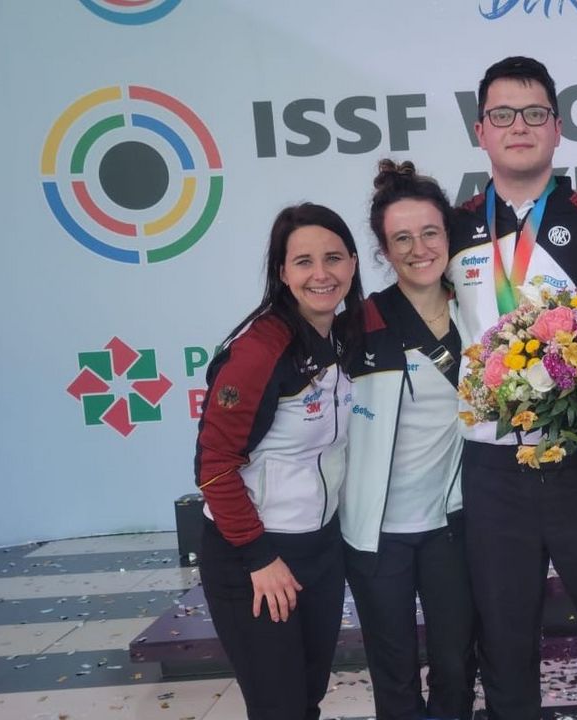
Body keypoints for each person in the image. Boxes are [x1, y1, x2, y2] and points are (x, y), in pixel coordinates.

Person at [446, 56, 577, 719]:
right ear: (480, 130)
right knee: (505, 647)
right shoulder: (450, 231)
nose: (519, 126)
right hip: (490, 473)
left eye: (534, 113)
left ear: (558, 128)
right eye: (502, 115)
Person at [193, 202, 364, 720]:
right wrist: (258, 557)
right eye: (304, 262)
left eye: (333, 258)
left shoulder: (347, 333)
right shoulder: (261, 350)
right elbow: (215, 465)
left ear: (353, 264)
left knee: (304, 699)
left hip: (320, 547)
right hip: (256, 556)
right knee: (280, 709)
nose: (321, 274)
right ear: (282, 272)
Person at [340, 159, 476, 720]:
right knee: (393, 676)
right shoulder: (359, 323)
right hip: (376, 534)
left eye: (429, 233)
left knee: (456, 666)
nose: (418, 248)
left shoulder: (482, 310)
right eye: (401, 238)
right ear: (382, 250)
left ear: (448, 235)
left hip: (452, 524)